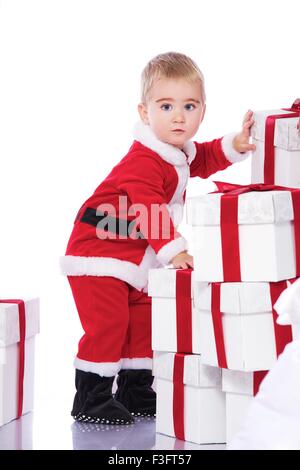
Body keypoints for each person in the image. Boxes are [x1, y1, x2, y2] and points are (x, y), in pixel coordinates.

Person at [60, 51, 255, 425]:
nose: (179, 116)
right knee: (109, 325)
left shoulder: (176, 153)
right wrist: (174, 251)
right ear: (145, 112)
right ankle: (91, 398)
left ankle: (135, 388)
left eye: (189, 105)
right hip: (98, 253)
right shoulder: (144, 160)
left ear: (202, 110)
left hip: (131, 258)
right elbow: (149, 205)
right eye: (166, 106)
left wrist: (238, 142)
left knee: (141, 321)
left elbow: (207, 157)